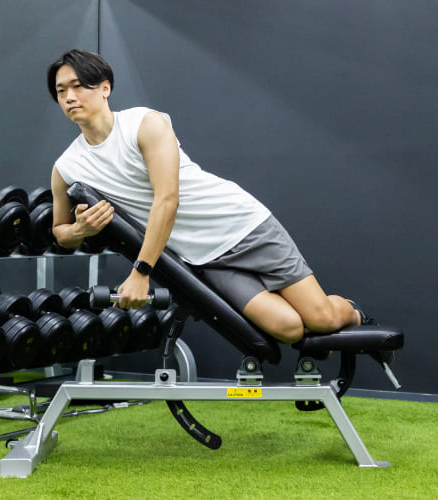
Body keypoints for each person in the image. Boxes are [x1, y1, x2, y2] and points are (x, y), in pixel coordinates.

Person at [48, 49, 371, 345]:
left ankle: (353, 313)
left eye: (78, 86)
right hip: (204, 259)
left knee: (321, 320)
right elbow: (60, 232)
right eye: (61, 91)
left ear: (104, 88)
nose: (69, 97)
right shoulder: (67, 167)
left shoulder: (144, 123)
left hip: (243, 226)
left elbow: (167, 199)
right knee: (289, 328)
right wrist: (79, 230)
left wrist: (141, 272)